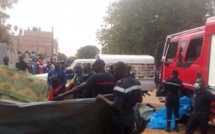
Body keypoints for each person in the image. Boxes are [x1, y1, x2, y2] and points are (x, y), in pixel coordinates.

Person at [96, 62, 142, 134]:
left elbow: (117, 106)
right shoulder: (136, 82)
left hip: (120, 118)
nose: (114, 74)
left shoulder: (120, 84)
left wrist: (102, 98)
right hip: (131, 117)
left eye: (114, 72)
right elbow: (140, 100)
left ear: (120, 70)